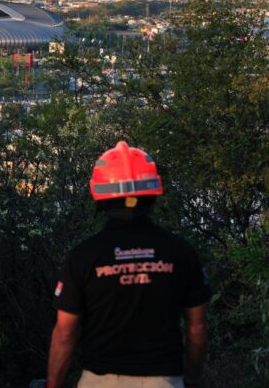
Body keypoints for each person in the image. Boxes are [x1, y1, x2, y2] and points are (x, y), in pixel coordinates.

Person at [47, 141, 210, 388]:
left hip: (99, 381)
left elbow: (65, 334)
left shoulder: (83, 257)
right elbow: (196, 327)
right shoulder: (181, 252)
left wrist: (53, 384)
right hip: (164, 380)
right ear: (153, 193)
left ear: (100, 196)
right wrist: (192, 378)